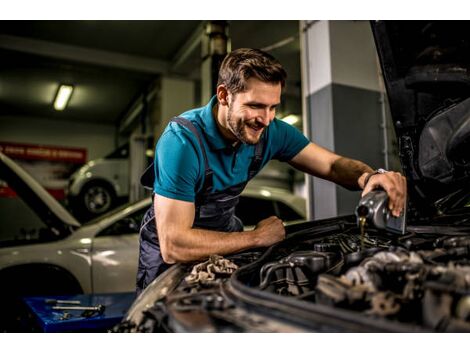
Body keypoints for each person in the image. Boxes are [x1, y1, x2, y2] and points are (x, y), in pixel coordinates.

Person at [136, 48, 407, 295]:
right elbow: (174, 244)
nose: (265, 119)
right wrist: (255, 238)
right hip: (167, 260)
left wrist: (370, 176)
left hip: (227, 241)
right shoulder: (182, 142)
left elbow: (332, 165)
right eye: (255, 106)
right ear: (224, 95)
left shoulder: (270, 131)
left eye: (273, 107)